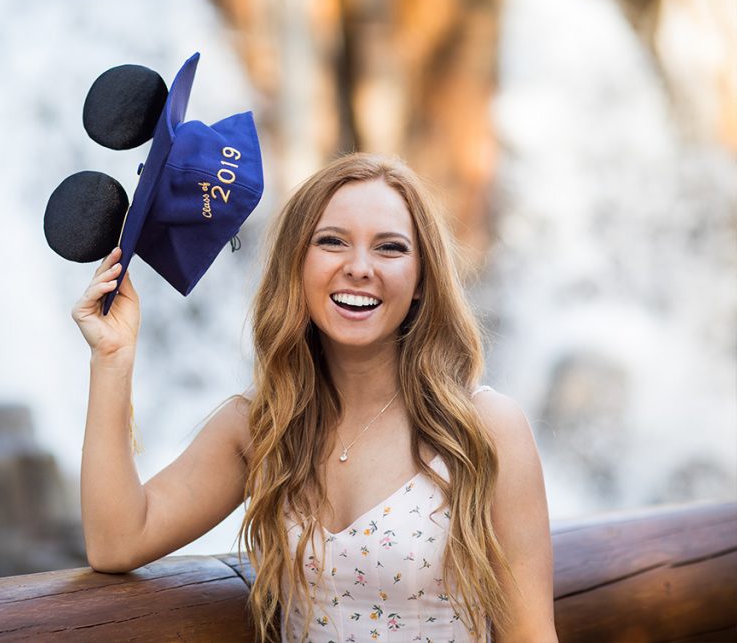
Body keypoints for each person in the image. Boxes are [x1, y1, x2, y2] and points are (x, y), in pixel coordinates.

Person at [73, 153, 557, 642]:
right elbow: (117, 541)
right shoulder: (263, 423)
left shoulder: (484, 427)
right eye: (332, 242)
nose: (360, 268)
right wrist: (112, 358)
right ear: (297, 264)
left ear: (421, 281)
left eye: (390, 248)